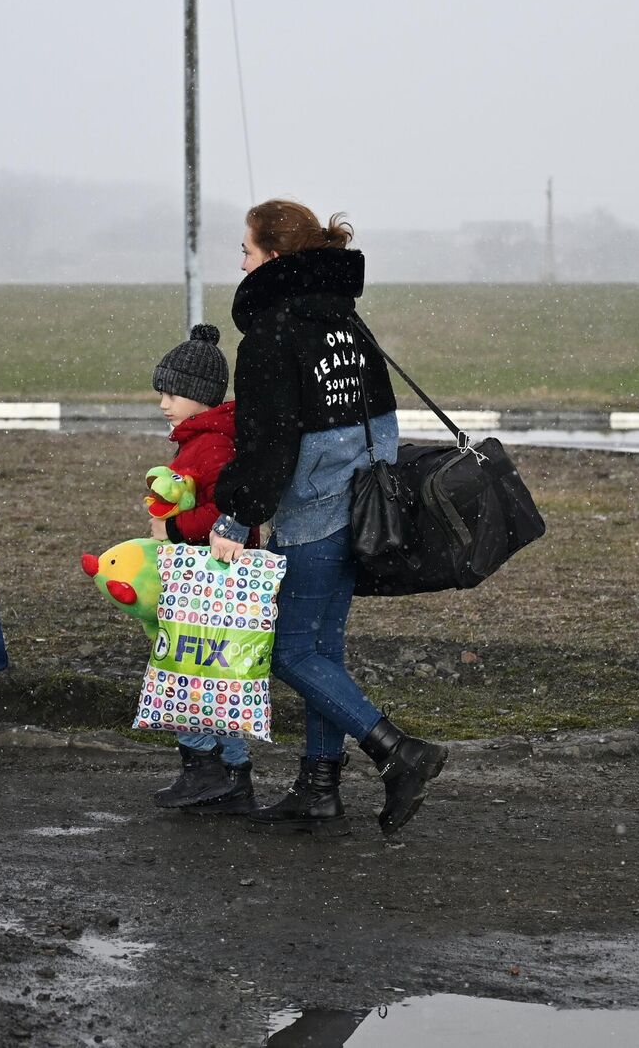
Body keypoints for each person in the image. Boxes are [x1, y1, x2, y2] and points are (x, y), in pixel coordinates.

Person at [208, 199, 448, 838]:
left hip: (313, 516)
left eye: (247, 250)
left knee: (288, 653)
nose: (239, 260)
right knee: (322, 651)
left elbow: (271, 443)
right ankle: (319, 787)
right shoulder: (346, 322)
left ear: (275, 259)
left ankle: (397, 751)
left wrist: (236, 517)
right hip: (366, 511)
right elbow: (385, 423)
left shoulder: (271, 334)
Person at [142, 323, 257, 815]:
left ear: (202, 396)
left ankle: (203, 769)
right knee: (217, 680)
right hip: (215, 580)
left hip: (208, 579)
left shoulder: (210, 446)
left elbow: (224, 511)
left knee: (187, 675)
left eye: (173, 394)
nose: (164, 403)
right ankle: (233, 776)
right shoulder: (204, 439)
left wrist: (171, 529)